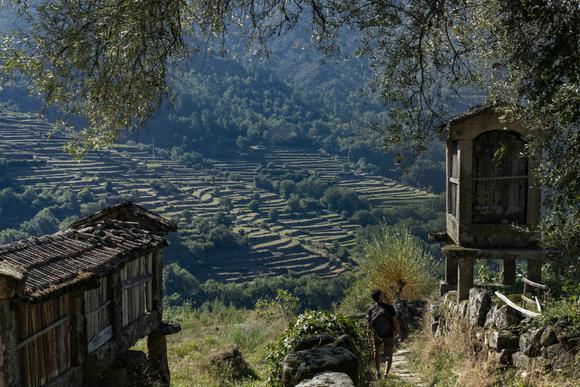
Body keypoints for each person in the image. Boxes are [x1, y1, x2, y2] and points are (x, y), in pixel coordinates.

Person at [367, 288, 400, 379]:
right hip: (388, 334)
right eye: (382, 294)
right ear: (380, 296)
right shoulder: (389, 307)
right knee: (389, 354)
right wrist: (398, 332)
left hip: (376, 334)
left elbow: (369, 325)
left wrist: (369, 337)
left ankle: (378, 371)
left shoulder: (371, 309)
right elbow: (395, 321)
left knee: (376, 352)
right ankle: (385, 374)